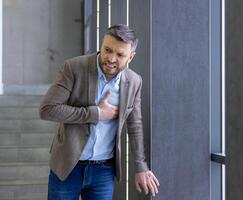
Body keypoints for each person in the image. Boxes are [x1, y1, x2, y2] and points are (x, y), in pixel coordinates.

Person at [39, 24, 159, 200]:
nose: (110, 58)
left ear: (131, 57)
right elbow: (47, 110)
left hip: (103, 171)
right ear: (101, 45)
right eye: (107, 50)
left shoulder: (134, 81)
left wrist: (141, 166)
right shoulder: (73, 68)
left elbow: (135, 125)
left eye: (120, 55)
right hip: (67, 166)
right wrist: (95, 114)